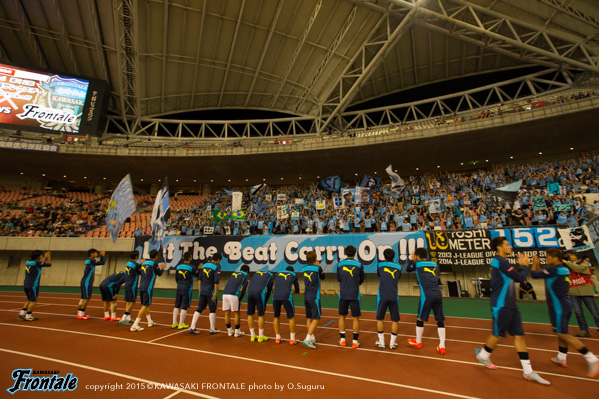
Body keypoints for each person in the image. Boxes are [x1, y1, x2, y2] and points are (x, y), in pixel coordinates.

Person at [475, 236, 550, 385]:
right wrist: (526, 266)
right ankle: (483, 355)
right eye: (507, 244)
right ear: (499, 247)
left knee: (519, 335)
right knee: (498, 335)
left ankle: (528, 371)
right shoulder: (499, 261)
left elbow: (515, 277)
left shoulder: (503, 262)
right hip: (501, 304)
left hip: (510, 304)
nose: (510, 247)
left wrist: (523, 267)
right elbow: (519, 278)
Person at [530, 248, 599, 377]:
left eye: (548, 257)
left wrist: (534, 264)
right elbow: (547, 275)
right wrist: (539, 267)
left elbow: (534, 275)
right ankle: (561, 357)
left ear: (555, 258)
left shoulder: (553, 269)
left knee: (562, 333)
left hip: (558, 307)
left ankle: (592, 359)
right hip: (565, 305)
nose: (547, 259)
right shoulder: (562, 269)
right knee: (562, 332)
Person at [406, 248, 446, 354]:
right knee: (440, 320)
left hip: (426, 296)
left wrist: (412, 258)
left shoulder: (417, 264)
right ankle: (442, 345)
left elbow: (408, 269)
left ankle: (418, 341)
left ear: (418, 256)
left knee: (420, 318)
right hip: (438, 294)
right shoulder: (433, 264)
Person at [564, 250, 599, 338]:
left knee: (594, 312)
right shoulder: (566, 266)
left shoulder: (584, 263)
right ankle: (584, 330)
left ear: (576, 255)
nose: (570, 257)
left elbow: (577, 269)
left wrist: (567, 263)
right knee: (578, 312)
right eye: (569, 255)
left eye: (572, 255)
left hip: (585, 290)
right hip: (573, 291)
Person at [336, 245, 365, 349]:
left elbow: (338, 278)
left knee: (342, 316)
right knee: (355, 318)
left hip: (343, 293)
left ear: (345, 253)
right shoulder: (359, 265)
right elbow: (362, 279)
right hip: (354, 294)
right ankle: (354, 342)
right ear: (355, 253)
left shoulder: (339, 264)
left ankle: (342, 340)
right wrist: (355, 284)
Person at [130, 249, 166, 332]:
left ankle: (149, 321)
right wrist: (162, 268)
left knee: (145, 304)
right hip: (148, 287)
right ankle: (135, 324)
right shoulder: (154, 263)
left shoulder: (144, 263)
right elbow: (159, 273)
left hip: (142, 285)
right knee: (145, 305)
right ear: (156, 256)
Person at [374, 248, 401, 350]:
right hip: (394, 296)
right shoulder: (398, 267)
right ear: (393, 257)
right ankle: (392, 343)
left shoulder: (380, 265)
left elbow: (379, 275)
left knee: (380, 319)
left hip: (382, 296)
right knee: (395, 320)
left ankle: (382, 342)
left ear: (384, 256)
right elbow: (398, 277)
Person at [189, 253, 222, 335]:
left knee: (199, 308)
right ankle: (212, 328)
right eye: (219, 260)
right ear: (218, 259)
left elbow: (199, 279)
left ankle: (192, 327)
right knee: (212, 309)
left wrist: (200, 290)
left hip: (203, 290)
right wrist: (216, 292)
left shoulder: (204, 265)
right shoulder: (216, 267)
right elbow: (216, 281)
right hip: (210, 291)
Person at [19, 250, 51, 322]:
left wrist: (44, 259)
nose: (41, 256)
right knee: (33, 300)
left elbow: (41, 264)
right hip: (33, 284)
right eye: (41, 255)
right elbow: (49, 264)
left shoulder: (28, 262)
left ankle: (22, 313)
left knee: (29, 299)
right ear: (37, 256)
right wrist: (48, 257)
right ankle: (28, 316)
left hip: (26, 283)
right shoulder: (37, 263)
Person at [302, 251, 325, 349]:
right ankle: (307, 338)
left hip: (306, 295)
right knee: (317, 318)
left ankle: (311, 337)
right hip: (314, 296)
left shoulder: (303, 268)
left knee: (309, 318)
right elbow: (323, 277)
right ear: (315, 258)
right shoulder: (317, 268)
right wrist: (318, 265)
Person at [273, 266, 300, 345]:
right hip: (286, 296)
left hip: (276, 296)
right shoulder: (293, 274)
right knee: (291, 317)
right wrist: (296, 292)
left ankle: (277, 338)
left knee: (276, 316)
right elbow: (297, 288)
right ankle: (292, 339)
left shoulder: (278, 273)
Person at [247, 269, 275, 342]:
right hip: (259, 293)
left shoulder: (257, 272)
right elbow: (269, 290)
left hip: (249, 292)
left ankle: (252, 336)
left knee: (250, 314)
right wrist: (265, 301)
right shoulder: (271, 276)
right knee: (261, 314)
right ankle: (260, 336)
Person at [172, 252, 198, 330]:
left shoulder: (178, 266)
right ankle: (181, 323)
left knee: (177, 304)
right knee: (185, 305)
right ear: (189, 258)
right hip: (187, 287)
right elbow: (198, 274)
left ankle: (174, 323)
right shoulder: (192, 267)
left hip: (179, 286)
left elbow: (176, 278)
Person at [77, 249, 105, 320]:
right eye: (95, 253)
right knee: (87, 297)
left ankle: (79, 313)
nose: (96, 255)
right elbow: (102, 262)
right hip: (87, 282)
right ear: (91, 254)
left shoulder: (87, 260)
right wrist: (103, 256)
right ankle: (81, 314)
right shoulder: (91, 260)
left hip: (84, 280)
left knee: (83, 298)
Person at [222, 265, 250, 337]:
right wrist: (240, 298)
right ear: (247, 271)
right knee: (237, 313)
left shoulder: (234, 273)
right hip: (233, 294)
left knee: (227, 313)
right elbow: (244, 288)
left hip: (225, 294)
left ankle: (230, 331)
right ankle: (237, 332)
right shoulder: (246, 275)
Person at [120, 250, 142, 325]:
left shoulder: (128, 263)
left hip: (127, 283)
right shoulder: (136, 264)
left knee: (128, 301)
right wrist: (141, 264)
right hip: (132, 284)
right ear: (136, 256)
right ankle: (123, 318)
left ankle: (128, 317)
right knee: (132, 301)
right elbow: (141, 272)